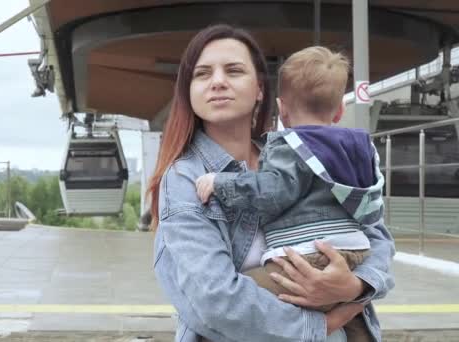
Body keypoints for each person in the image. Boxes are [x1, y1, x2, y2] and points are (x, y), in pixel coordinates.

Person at [148, 24, 395, 342]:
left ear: (261, 90)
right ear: (189, 91)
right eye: (203, 73)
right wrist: (325, 324)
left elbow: (375, 233)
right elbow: (214, 301)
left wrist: (356, 286)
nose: (218, 82)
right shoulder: (185, 179)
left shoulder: (301, 153)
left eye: (234, 70)